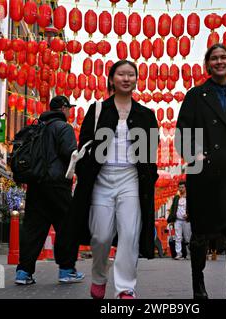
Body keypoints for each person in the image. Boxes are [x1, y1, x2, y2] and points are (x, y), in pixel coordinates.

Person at [175, 43, 226, 299]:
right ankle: (198, 286)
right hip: (204, 174)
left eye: (224, 57)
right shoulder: (195, 96)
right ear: (208, 64)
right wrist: (195, 155)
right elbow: (182, 133)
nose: (219, 62)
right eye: (214, 58)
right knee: (200, 231)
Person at [72, 60, 159, 299]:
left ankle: (125, 288)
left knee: (129, 234)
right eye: (121, 74)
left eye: (131, 74)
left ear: (136, 80)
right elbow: (85, 144)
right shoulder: (98, 109)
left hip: (130, 178)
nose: (126, 78)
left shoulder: (146, 114)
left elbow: (152, 148)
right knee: (101, 236)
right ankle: (99, 276)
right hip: (101, 179)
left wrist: (149, 176)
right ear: (112, 79)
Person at [15, 95, 85, 285]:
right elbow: (70, 154)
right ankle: (66, 270)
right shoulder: (63, 128)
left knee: (33, 228)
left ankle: (23, 272)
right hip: (56, 184)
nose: (70, 111)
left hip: (36, 184)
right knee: (67, 226)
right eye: (69, 108)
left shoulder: (37, 127)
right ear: (63, 109)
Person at [167, 181, 191, 260]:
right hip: (177, 220)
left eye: (182, 187)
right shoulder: (176, 197)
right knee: (178, 237)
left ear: (185, 188)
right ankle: (178, 254)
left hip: (186, 220)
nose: (181, 189)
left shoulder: (189, 197)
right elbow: (173, 208)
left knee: (187, 238)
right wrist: (171, 220)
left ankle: (188, 254)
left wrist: (188, 215)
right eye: (179, 187)